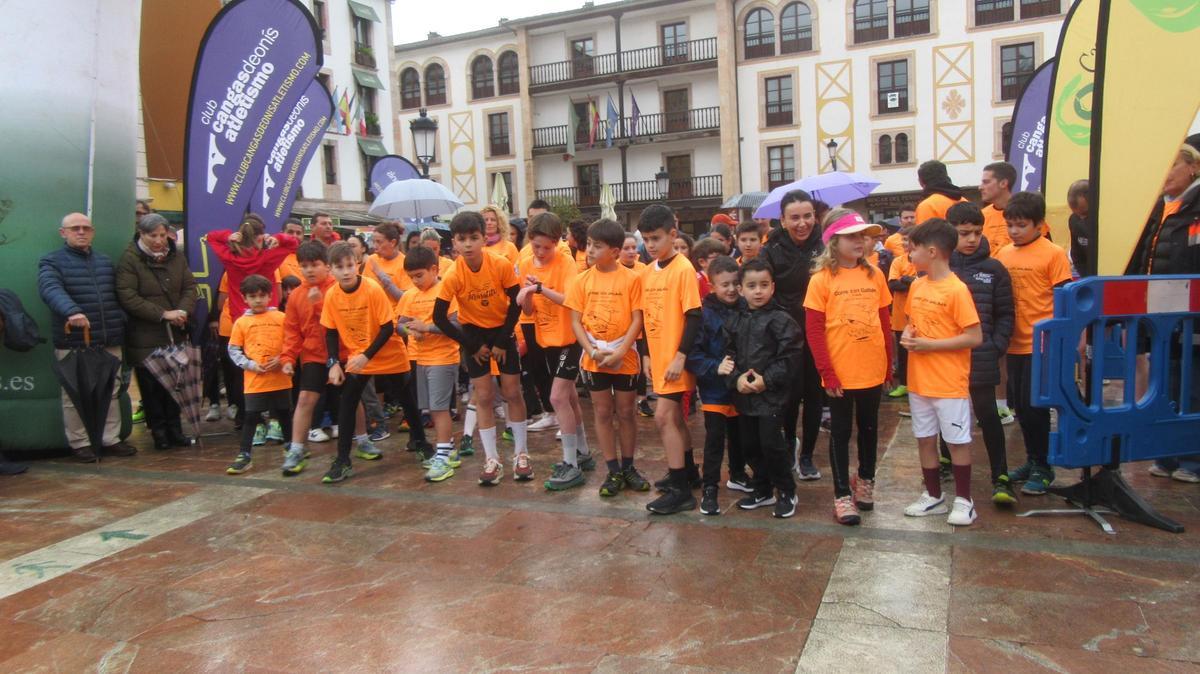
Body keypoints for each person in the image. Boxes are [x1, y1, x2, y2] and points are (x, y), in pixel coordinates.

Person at [804, 210, 891, 525]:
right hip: (840, 372)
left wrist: (888, 365)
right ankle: (842, 495)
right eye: (852, 236)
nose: (860, 241)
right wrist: (826, 372)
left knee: (869, 429)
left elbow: (884, 321)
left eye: (863, 236)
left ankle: (865, 480)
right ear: (833, 241)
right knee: (840, 432)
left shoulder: (875, 275)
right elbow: (814, 330)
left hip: (872, 367)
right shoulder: (821, 280)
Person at [433, 211, 531, 485]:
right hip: (473, 336)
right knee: (484, 396)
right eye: (462, 239)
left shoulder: (500, 264)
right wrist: (472, 346)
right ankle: (491, 458)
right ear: (454, 242)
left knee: (512, 392)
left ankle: (522, 454)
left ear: (484, 238)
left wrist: (501, 340)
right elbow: (439, 317)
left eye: (474, 238)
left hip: (502, 330)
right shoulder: (453, 274)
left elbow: (516, 303)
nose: (468, 244)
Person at [900, 218, 983, 526]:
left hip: (948, 382)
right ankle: (933, 495)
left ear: (932, 252)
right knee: (924, 438)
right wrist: (908, 334)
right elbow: (911, 322)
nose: (910, 254)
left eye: (914, 249)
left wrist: (930, 345)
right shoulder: (917, 285)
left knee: (957, 441)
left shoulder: (957, 290)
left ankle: (964, 500)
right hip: (919, 381)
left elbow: (974, 336)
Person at [1126, 143, 1200, 482]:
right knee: (1166, 382)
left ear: (1193, 167)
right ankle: (1166, 455)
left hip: (1191, 315)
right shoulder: (1158, 208)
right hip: (1159, 313)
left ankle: (1192, 460)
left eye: (1172, 164)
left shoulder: (1195, 208)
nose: (1165, 173)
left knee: (1192, 384)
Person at [995, 192, 1072, 495]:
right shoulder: (1003, 254)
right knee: (1022, 408)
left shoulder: (1053, 254)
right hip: (1013, 343)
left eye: (1021, 225)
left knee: (1034, 406)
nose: (1014, 231)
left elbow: (1064, 298)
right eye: (1010, 225)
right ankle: (1032, 460)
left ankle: (1043, 466)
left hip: (1041, 343)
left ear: (1039, 224)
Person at [38, 213, 132, 461]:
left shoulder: (104, 261)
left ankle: (111, 439)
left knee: (111, 390)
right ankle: (79, 443)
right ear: (63, 233)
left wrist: (121, 319)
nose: (81, 232)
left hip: (108, 338)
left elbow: (118, 295)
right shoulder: (51, 261)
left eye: (86, 228)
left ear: (93, 232)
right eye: (75, 228)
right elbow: (50, 289)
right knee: (73, 394)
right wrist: (71, 311)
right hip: (74, 341)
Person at [567, 218, 648, 497]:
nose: (590, 250)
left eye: (597, 246)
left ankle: (628, 466)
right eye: (589, 244)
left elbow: (638, 318)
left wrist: (622, 351)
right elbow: (575, 321)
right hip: (595, 357)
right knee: (602, 411)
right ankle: (612, 469)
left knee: (626, 412)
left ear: (614, 251)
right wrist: (591, 351)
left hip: (624, 356)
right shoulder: (581, 280)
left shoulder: (632, 279)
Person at [718, 258, 803, 518]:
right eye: (752, 286)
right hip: (744, 396)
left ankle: (786, 490)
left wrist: (767, 379)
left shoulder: (781, 319)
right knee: (750, 445)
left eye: (764, 285)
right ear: (741, 289)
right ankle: (763, 488)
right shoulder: (735, 319)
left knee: (772, 444)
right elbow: (728, 355)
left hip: (772, 396)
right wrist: (736, 379)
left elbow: (790, 356)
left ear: (773, 287)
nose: (758, 291)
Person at [515, 212, 594, 490]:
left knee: (557, 397)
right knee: (569, 397)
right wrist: (526, 296)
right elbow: (528, 311)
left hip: (570, 338)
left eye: (546, 247)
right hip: (546, 338)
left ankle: (571, 464)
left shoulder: (566, 262)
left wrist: (540, 289)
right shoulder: (526, 263)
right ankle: (583, 452)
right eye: (536, 246)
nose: (541, 252)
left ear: (557, 242)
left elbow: (570, 300)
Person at [946, 202, 1016, 504]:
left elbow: (1006, 313)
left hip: (982, 356)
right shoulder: (941, 266)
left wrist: (996, 344)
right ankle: (945, 460)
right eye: (964, 233)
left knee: (988, 415)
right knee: (946, 412)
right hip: (946, 358)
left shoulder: (994, 268)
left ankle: (1001, 476)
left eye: (977, 232)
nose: (972, 239)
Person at [319, 242, 404, 483]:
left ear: (357, 264)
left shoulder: (372, 289)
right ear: (330, 269)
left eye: (350, 265)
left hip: (388, 352)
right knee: (347, 401)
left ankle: (422, 444)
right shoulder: (332, 295)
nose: (346, 271)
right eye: (339, 267)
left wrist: (366, 355)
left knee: (406, 398)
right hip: (360, 357)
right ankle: (342, 460)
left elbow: (387, 328)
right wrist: (333, 363)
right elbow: (330, 332)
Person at [639, 205, 704, 514]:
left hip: (676, 360)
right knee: (675, 418)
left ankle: (680, 491)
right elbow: (645, 316)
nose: (650, 245)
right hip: (660, 356)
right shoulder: (648, 271)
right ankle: (688, 472)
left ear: (672, 234)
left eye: (656, 238)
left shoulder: (683, 269)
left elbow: (694, 315)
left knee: (663, 417)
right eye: (646, 239)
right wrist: (646, 354)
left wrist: (681, 356)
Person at [115, 213, 198, 450]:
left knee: (175, 384)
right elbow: (128, 296)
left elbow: (190, 287)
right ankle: (159, 433)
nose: (159, 240)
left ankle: (176, 431)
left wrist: (183, 310)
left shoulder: (176, 256)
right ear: (141, 234)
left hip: (175, 332)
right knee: (152, 388)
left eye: (162, 235)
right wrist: (163, 314)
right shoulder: (130, 259)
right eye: (153, 236)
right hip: (146, 335)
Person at [761, 190, 825, 480]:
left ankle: (807, 454)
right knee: (787, 395)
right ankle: (789, 443)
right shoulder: (771, 249)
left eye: (807, 216)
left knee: (813, 395)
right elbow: (764, 289)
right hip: (784, 334)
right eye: (795, 217)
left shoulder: (825, 246)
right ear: (783, 220)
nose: (802, 223)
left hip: (818, 331)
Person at [396, 246, 464, 482]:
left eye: (419, 275)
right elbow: (399, 325)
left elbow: (456, 324)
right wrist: (410, 331)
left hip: (443, 358)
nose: (415, 281)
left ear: (434, 269)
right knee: (431, 409)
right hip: (420, 358)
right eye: (411, 277)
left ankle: (443, 456)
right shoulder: (409, 295)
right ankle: (449, 450)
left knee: (439, 408)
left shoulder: (445, 291)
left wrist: (427, 328)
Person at [688, 255, 749, 516]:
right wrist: (715, 366)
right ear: (712, 286)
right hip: (714, 388)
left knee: (740, 434)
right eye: (725, 284)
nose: (732, 289)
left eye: (735, 283)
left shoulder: (747, 307)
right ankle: (710, 488)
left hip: (741, 387)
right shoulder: (704, 314)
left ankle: (738, 473)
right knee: (714, 439)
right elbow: (693, 354)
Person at [278, 240, 337, 476]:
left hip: (341, 354)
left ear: (327, 265)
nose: (309, 270)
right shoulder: (295, 296)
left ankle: (363, 440)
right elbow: (292, 331)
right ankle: (296, 449)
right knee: (304, 400)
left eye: (314, 264)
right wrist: (288, 358)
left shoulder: (336, 288)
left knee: (351, 401)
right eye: (304, 265)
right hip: (313, 356)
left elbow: (337, 323)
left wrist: (318, 304)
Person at [225, 275, 292, 474]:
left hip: (280, 378)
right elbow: (233, 349)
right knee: (251, 416)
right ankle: (244, 454)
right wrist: (250, 365)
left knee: (284, 413)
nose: (258, 300)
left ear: (270, 296)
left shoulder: (281, 317)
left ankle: (291, 447)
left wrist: (282, 359)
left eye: (262, 296)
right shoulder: (241, 323)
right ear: (244, 298)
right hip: (255, 380)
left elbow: (291, 342)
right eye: (252, 296)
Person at [886, 227, 916, 399]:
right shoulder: (898, 261)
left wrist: (906, 279)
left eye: (908, 239)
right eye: (903, 239)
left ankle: (917, 384)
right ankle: (904, 384)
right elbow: (893, 284)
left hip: (918, 316)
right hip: (900, 317)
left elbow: (926, 280)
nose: (904, 243)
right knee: (903, 354)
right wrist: (911, 281)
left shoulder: (922, 259)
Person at [979, 162, 1017, 254]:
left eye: (986, 182)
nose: (980, 187)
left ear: (1003, 183)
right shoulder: (981, 215)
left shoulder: (1027, 213)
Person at [1066, 180, 1092, 278]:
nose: (1081, 218)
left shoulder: (1106, 221)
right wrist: (1087, 277)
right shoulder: (1074, 220)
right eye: (1076, 213)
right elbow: (1076, 254)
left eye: (1085, 214)